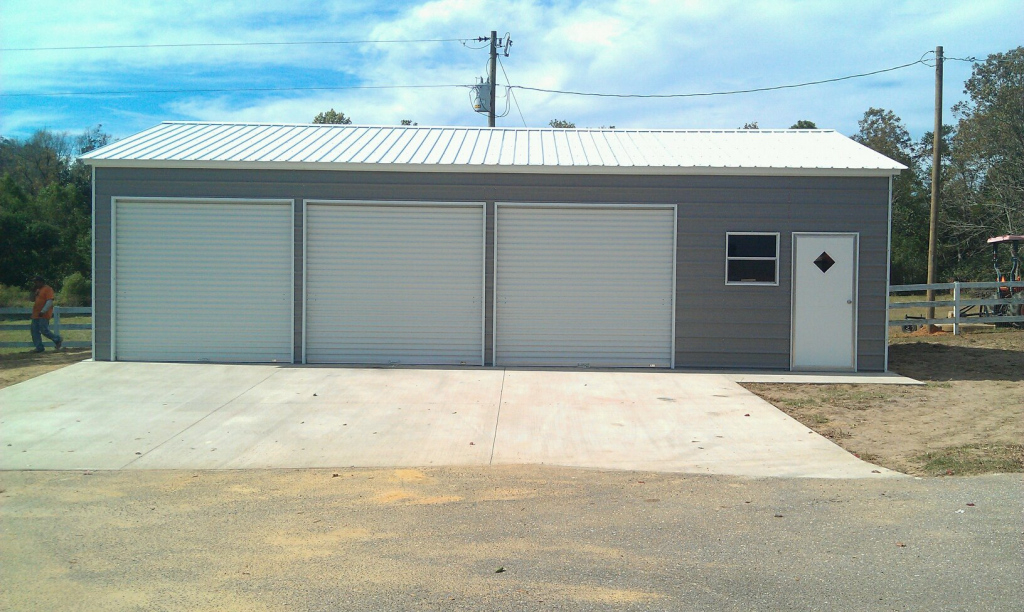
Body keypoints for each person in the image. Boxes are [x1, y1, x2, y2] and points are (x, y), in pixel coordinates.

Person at [30, 275, 63, 353]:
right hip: (36, 314)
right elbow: (31, 299)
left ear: (41, 282)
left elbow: (49, 301)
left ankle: (57, 339)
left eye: (36, 282)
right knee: (34, 331)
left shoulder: (48, 289)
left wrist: (43, 311)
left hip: (43, 314)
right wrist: (32, 292)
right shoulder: (37, 290)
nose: (35, 284)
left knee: (44, 330)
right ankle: (39, 347)